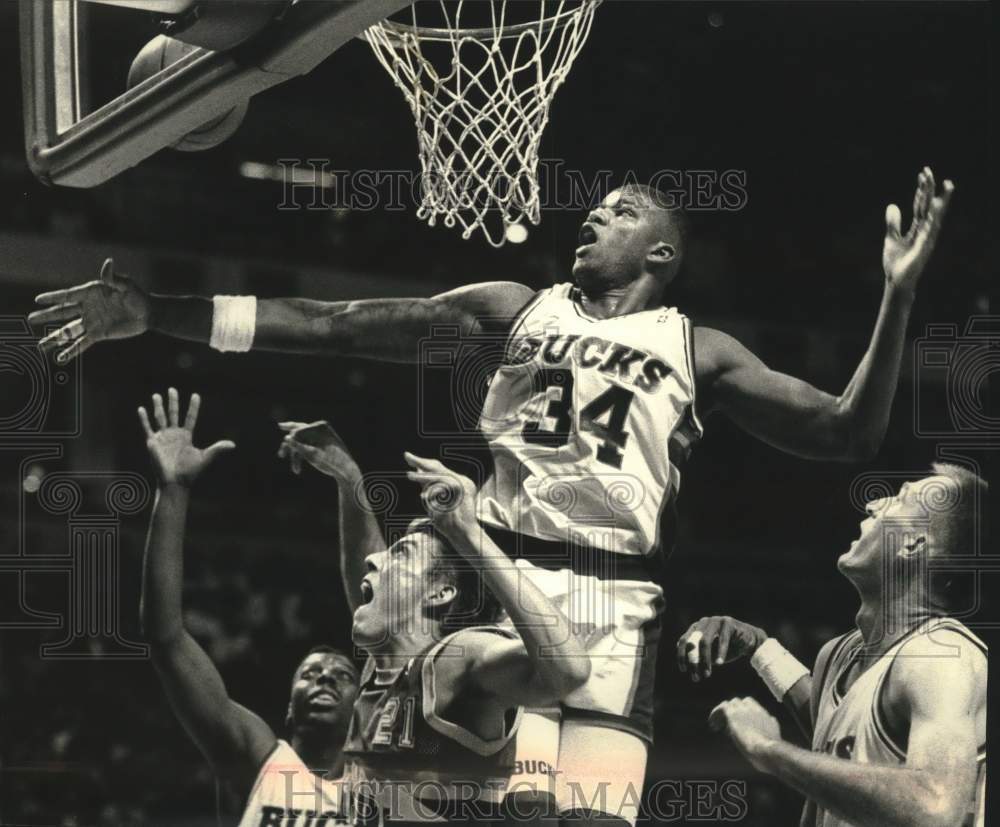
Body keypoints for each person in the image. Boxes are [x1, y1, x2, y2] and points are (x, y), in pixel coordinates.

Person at [31, 168, 953, 825]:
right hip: (500, 583)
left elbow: (847, 434)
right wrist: (162, 311)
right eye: (593, 208)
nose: (592, 218)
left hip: (617, 608)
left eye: (620, 212)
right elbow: (336, 326)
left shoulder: (694, 347)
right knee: (509, 809)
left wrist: (897, 298)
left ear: (662, 249)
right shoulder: (516, 305)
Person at [278, 419, 592, 823]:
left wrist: (467, 533)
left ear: (440, 593)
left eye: (402, 554)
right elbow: (371, 584)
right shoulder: (385, 669)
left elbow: (569, 669)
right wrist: (347, 477)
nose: (374, 560)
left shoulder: (458, 661)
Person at [678, 464, 987, 827]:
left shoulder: (940, 658)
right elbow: (847, 740)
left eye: (899, 499)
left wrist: (769, 749)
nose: (874, 503)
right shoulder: (840, 655)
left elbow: (934, 807)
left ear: (912, 544)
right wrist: (760, 649)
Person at [138, 388, 360, 827]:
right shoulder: (256, 757)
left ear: (364, 710)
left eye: (342, 676)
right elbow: (166, 638)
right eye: (310, 673)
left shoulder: (382, 790)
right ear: (289, 708)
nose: (324, 680)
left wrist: (351, 483)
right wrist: (174, 489)